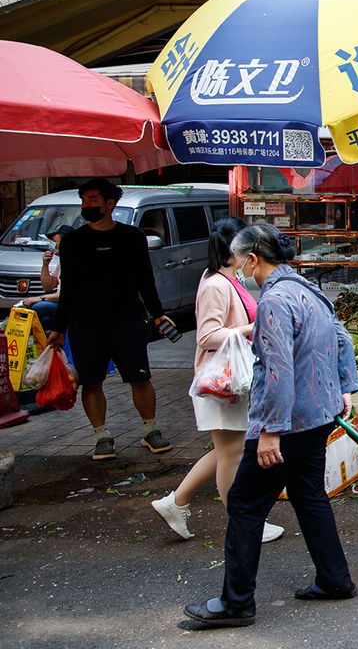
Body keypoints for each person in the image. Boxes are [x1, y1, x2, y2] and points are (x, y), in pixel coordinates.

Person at [185, 224, 358, 629]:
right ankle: (335, 580)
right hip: (318, 413)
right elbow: (341, 339)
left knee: (245, 504)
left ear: (252, 259)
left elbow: (276, 371)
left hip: (291, 421)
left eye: (239, 259)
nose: (237, 268)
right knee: (310, 495)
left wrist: (270, 430)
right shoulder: (306, 289)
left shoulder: (275, 302)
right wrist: (345, 387)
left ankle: (236, 603)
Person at [150, 218, 284, 544]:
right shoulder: (216, 284)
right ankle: (243, 522)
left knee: (227, 450)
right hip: (221, 382)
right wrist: (253, 329)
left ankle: (175, 502)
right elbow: (207, 336)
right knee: (232, 454)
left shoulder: (228, 278)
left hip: (231, 379)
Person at [47, 179, 176, 461]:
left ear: (109, 204)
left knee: (139, 377)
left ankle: (150, 430)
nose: (87, 205)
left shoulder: (132, 237)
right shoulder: (73, 242)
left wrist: (158, 314)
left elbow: (145, 279)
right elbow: (67, 287)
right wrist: (58, 328)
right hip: (84, 324)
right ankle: (102, 436)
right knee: (91, 382)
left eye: (93, 200)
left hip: (127, 320)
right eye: (84, 200)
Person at [21, 224, 72, 333]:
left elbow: (66, 295)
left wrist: (40, 298)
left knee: (39, 308)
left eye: (54, 241)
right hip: (62, 303)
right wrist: (45, 265)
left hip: (72, 306)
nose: (52, 245)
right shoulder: (61, 262)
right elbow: (48, 286)